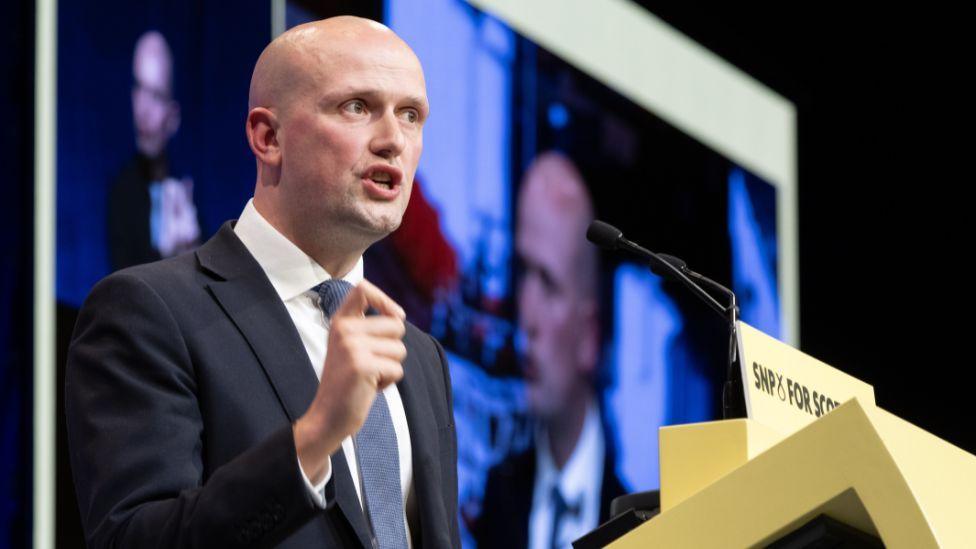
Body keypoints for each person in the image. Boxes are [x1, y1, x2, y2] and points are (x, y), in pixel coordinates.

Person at [67, 17, 459, 549]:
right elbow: (133, 540)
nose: (394, 140)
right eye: (358, 107)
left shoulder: (421, 357)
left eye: (411, 115)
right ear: (268, 137)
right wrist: (316, 435)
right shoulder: (150, 312)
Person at [473, 152, 625, 549]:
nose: (527, 313)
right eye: (524, 272)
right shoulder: (497, 498)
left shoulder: (643, 525)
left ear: (589, 335)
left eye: (550, 283)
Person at [108, 30, 201, 271]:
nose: (143, 109)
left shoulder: (191, 197)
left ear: (173, 116)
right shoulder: (121, 192)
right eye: (139, 88)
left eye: (156, 96)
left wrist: (193, 251)